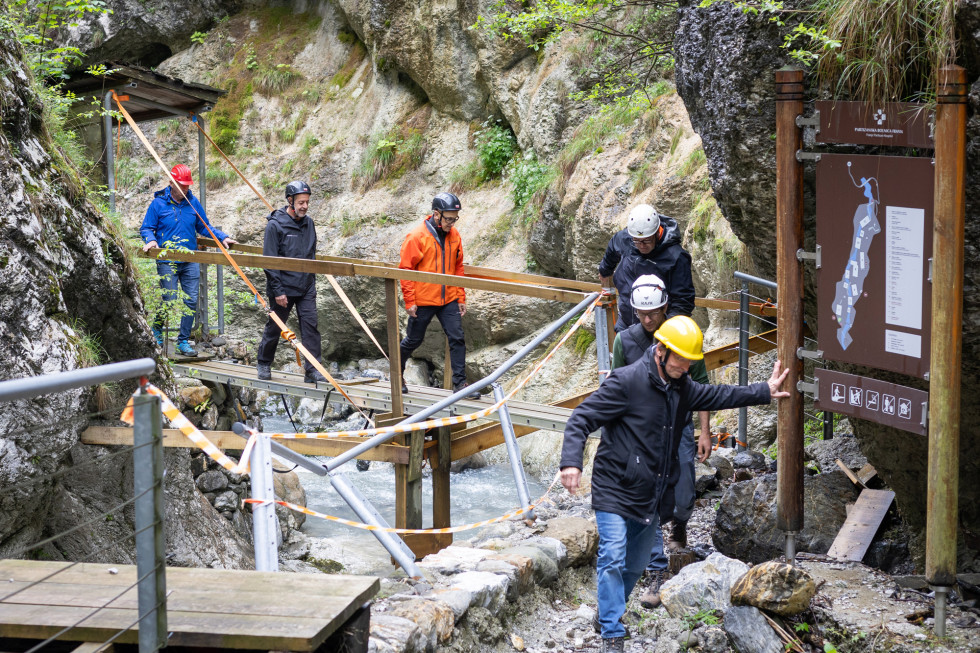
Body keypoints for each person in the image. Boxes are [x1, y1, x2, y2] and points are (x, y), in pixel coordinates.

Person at [560, 316, 790, 653]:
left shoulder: (682, 388)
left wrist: (763, 391)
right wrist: (570, 462)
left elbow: (717, 394)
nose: (685, 366)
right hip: (614, 485)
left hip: (651, 491)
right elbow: (581, 418)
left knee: (636, 565)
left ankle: (607, 611)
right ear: (660, 351)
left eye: (689, 360)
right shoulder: (625, 382)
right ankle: (612, 632)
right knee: (612, 553)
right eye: (680, 358)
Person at [611, 275, 712, 610]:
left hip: (679, 426)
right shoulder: (625, 342)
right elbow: (615, 388)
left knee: (683, 491)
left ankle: (681, 522)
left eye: (652, 312)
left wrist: (705, 431)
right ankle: (656, 568)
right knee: (649, 498)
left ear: (665, 307)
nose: (647, 319)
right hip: (641, 435)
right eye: (640, 313)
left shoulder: (683, 334)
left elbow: (702, 386)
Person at [140, 163, 237, 356]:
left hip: (190, 259)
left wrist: (222, 237)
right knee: (170, 297)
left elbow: (204, 227)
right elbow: (146, 228)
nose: (186, 188)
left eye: (187, 185)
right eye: (182, 185)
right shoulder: (158, 204)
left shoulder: (193, 203)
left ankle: (183, 341)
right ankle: (157, 329)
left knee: (191, 300)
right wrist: (150, 240)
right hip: (167, 259)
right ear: (171, 183)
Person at [398, 192, 479, 400]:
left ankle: (460, 384)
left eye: (455, 218)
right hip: (424, 300)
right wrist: (410, 300)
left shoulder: (455, 236)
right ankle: (396, 375)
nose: (452, 223)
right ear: (437, 214)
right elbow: (405, 270)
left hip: (448, 298)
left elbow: (458, 267)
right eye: (449, 218)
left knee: (457, 338)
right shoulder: (417, 237)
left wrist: (461, 296)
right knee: (413, 340)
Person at [255, 181, 327, 384]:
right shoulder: (275, 225)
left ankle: (312, 369)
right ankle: (263, 363)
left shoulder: (309, 223)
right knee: (275, 326)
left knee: (311, 328)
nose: (304, 206)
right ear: (290, 201)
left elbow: (311, 254)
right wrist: (278, 291)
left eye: (307, 202)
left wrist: (311, 283)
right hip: (283, 289)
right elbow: (269, 261)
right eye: (301, 202)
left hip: (306, 287)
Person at [598, 203, 695, 332]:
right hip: (626, 320)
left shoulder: (676, 257)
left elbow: (682, 301)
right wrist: (605, 270)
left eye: (647, 240)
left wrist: (669, 331)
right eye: (637, 241)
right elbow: (613, 246)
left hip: (657, 328)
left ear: (656, 233)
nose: (642, 245)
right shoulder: (626, 239)